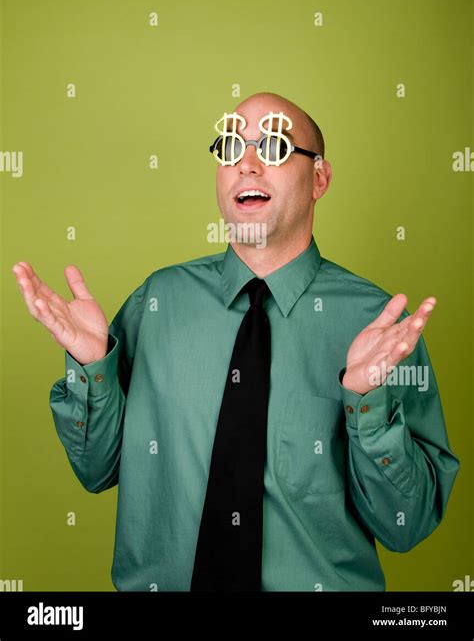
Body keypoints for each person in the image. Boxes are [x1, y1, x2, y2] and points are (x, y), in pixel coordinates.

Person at [12, 91, 460, 592]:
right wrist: (91, 366)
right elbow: (97, 470)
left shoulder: (379, 327)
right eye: (229, 147)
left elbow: (409, 524)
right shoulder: (157, 301)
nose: (246, 163)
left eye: (272, 146)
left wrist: (366, 406)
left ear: (319, 179)